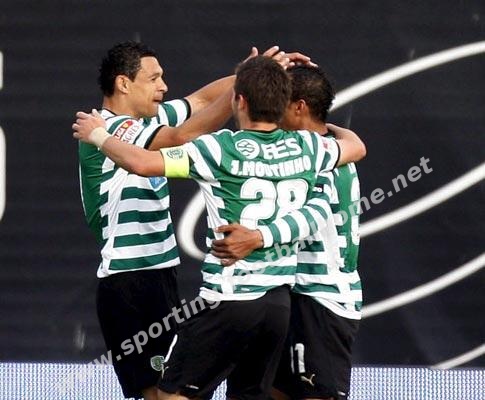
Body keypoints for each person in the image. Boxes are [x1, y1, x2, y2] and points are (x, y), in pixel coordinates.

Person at [73, 56, 366, 400]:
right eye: (155, 78)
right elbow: (356, 148)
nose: (163, 87)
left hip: (228, 298)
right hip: (278, 304)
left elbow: (144, 161)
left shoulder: (217, 148)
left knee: (169, 394)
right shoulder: (309, 147)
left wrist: (97, 135)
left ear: (239, 101)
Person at [211, 65, 362, 400]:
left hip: (320, 299)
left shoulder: (318, 157)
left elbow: (315, 214)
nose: (273, 107)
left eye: (282, 99)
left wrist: (257, 237)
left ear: (299, 107)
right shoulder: (329, 148)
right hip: (296, 295)